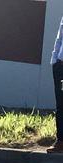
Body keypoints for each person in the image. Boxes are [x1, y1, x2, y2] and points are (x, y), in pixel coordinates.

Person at [49, 16, 63, 153]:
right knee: (61, 103)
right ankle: (61, 142)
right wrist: (54, 61)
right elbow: (59, 38)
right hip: (60, 67)